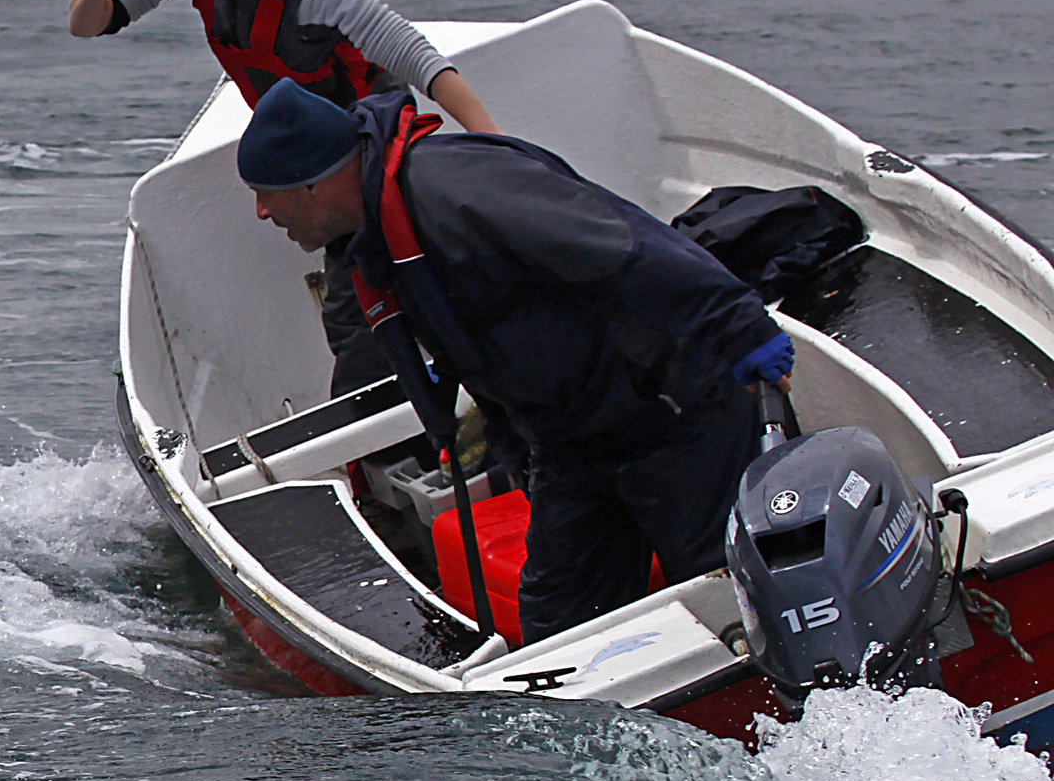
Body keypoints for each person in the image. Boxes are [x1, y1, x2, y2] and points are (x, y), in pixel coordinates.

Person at [236, 78, 796, 643]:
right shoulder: (370, 240)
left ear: (314, 186)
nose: (260, 212)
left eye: (265, 192)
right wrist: (514, 448)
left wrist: (743, 327)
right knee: (560, 634)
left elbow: (623, 242)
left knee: (724, 605)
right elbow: (478, 352)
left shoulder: (459, 188)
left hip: (673, 415)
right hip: (570, 445)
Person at [65, 0, 501, 395]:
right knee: (363, 306)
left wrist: (495, 141)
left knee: (357, 314)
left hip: (368, 149)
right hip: (307, 158)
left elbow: (421, 61)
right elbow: (87, 22)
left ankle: (391, 445)